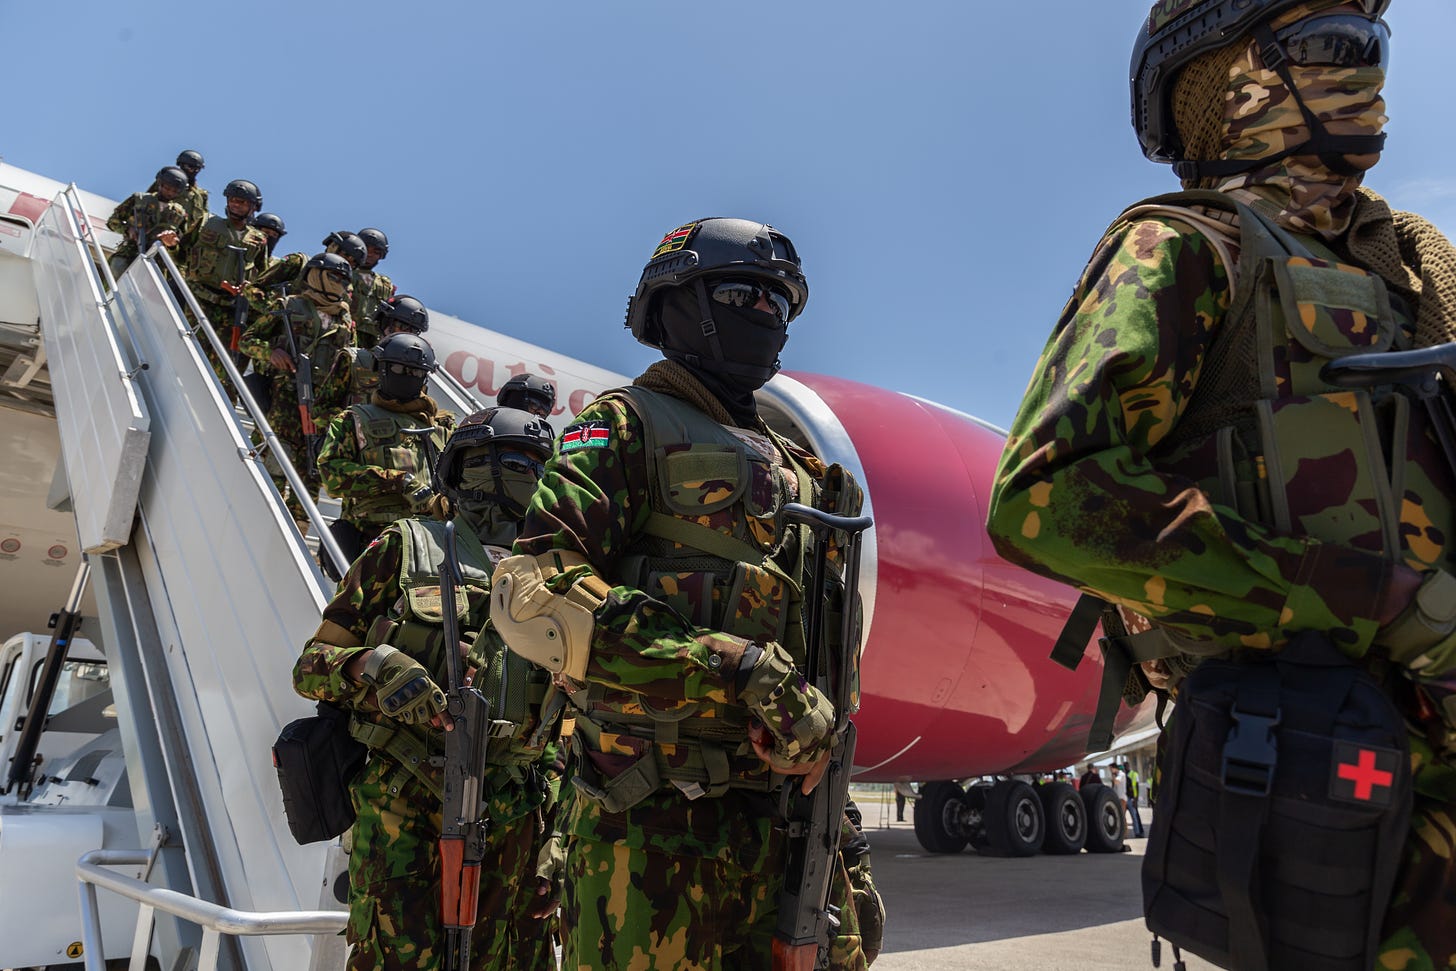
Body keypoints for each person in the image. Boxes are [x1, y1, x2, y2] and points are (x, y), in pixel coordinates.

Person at [985, 1, 1456, 963]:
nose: (1366, 73)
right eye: (1333, 46)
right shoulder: (1194, 248)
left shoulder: (1414, 268)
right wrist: (1353, 595)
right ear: (1223, 86)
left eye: (1375, 49)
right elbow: (1045, 494)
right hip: (1329, 773)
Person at [488, 217, 881, 969]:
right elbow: (533, 595)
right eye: (745, 295)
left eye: (782, 306)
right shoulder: (623, 425)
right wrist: (735, 670)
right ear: (676, 306)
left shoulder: (807, 476)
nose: (767, 317)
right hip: (651, 838)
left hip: (790, 830)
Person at [293, 405, 565, 970]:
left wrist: (557, 842)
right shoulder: (406, 547)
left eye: (527, 465)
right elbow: (312, 664)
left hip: (517, 813)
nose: (511, 477)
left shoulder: (561, 577)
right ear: (460, 470)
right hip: (405, 799)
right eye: (498, 462)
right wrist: (375, 667)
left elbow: (573, 728)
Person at [316, 331, 454, 575]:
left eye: (414, 371)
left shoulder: (442, 429)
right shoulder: (353, 419)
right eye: (399, 369)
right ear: (382, 370)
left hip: (426, 549)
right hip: (371, 544)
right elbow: (331, 474)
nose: (407, 376)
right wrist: (399, 482)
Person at [237, 252, 355, 527]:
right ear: (316, 274)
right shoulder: (290, 305)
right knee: (277, 455)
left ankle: (299, 525)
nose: (339, 284)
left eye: (343, 280)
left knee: (311, 469)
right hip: (285, 396)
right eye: (333, 276)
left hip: (322, 405)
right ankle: (263, 517)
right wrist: (271, 352)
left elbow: (350, 363)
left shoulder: (345, 321)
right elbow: (248, 340)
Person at [177, 178, 269, 381]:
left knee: (221, 364)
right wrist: (169, 244)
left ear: (253, 207)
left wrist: (249, 288)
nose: (236, 205)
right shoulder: (206, 222)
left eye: (242, 202)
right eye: (233, 200)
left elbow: (262, 276)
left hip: (230, 308)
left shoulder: (259, 240)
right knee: (188, 349)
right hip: (198, 299)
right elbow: (180, 253)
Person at [339, 295, 432, 406]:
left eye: (414, 330)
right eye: (401, 326)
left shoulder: (417, 374)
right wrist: (349, 421)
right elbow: (321, 410)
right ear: (384, 323)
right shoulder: (353, 360)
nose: (406, 334)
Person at [105, 166, 190, 276]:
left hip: (157, 261)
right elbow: (112, 222)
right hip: (130, 252)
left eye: (174, 191)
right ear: (160, 183)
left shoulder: (179, 213)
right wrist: (128, 230)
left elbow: (183, 246)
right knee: (118, 268)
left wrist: (172, 244)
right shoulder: (139, 199)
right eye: (167, 188)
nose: (169, 193)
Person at [352, 227, 396, 348]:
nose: (370, 254)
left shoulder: (385, 285)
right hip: (345, 333)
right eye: (366, 248)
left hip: (372, 340)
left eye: (376, 252)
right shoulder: (342, 273)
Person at [146, 150, 208, 229]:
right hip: (159, 228)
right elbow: (147, 200)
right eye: (189, 167)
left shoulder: (201, 196)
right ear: (181, 165)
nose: (192, 171)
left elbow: (204, 220)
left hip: (184, 236)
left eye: (196, 169)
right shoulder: (165, 181)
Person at [1123, 763, 1145, 838]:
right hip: (1125, 798)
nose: (1125, 768)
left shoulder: (1134, 774)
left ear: (1128, 766)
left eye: (1126, 766)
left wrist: (1136, 799)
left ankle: (1138, 832)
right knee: (1125, 817)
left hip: (1132, 798)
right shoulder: (1123, 775)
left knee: (1135, 817)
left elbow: (1137, 787)